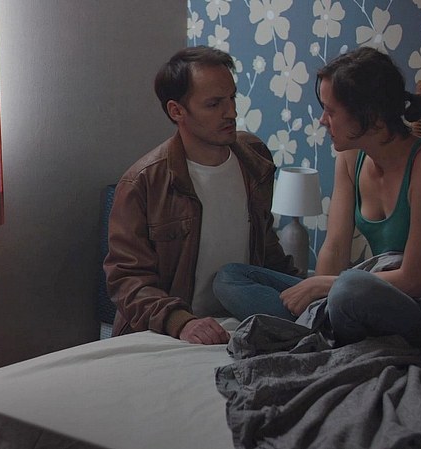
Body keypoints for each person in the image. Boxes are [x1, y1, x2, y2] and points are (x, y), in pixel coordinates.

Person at [213, 46, 421, 348]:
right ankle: (322, 327)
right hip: (358, 295)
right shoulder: (350, 159)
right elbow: (335, 248)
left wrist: (324, 286)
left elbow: (414, 280)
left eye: (331, 111)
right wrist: (318, 294)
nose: (323, 120)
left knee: (350, 289)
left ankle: (316, 330)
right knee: (229, 278)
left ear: (370, 115)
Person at [103, 46, 302, 345]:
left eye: (232, 98)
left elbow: (267, 250)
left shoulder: (254, 160)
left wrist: (307, 293)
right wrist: (181, 322)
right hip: (171, 332)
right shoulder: (142, 183)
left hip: (242, 321)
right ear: (177, 111)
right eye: (214, 104)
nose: (231, 112)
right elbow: (127, 280)